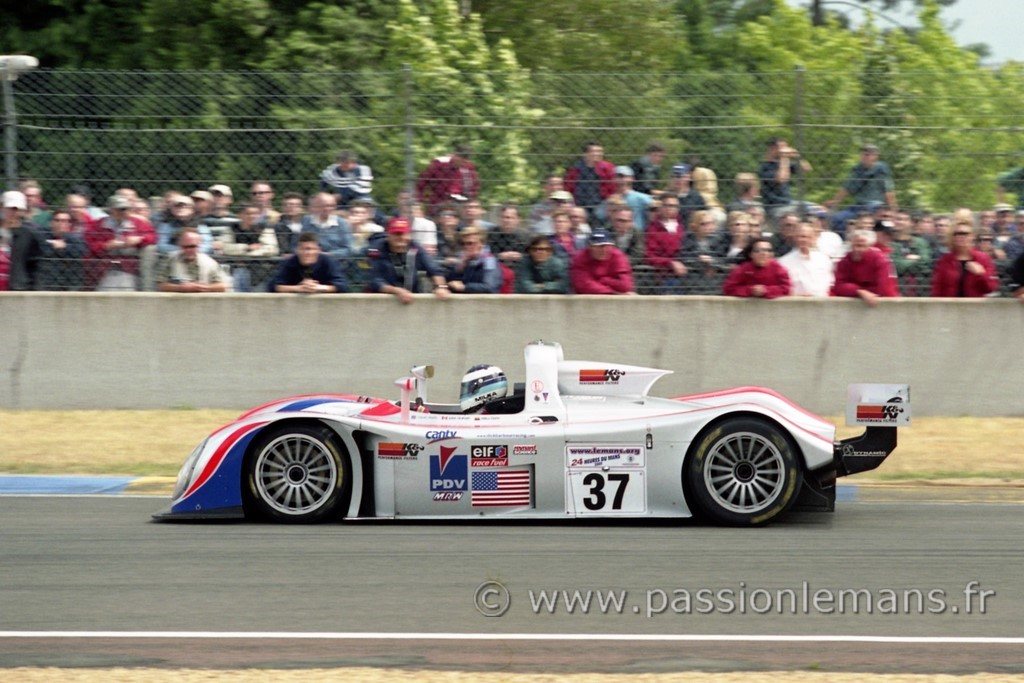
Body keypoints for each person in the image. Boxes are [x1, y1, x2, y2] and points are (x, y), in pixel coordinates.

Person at [367, 217, 450, 303]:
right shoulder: (377, 249)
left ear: (409, 235)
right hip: (382, 298)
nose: (400, 237)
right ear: (388, 235)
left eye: (403, 233)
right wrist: (397, 291)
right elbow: (374, 279)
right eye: (396, 234)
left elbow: (434, 269)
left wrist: (441, 287)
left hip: (411, 295)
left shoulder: (415, 247)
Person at [825, 143, 897, 231]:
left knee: (868, 213)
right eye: (864, 154)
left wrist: (893, 210)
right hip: (859, 205)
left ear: (876, 156)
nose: (866, 156)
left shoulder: (881, 170)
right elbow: (846, 189)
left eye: (870, 154)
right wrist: (834, 202)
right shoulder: (857, 170)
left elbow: (889, 192)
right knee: (837, 219)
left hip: (875, 206)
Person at [930, 222, 999, 298]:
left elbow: (990, 288)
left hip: (975, 306)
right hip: (949, 306)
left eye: (965, 234)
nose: (961, 237)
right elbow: (937, 288)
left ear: (972, 236)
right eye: (957, 234)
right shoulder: (945, 260)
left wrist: (981, 274)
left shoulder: (983, 258)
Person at [831, 229, 898, 306]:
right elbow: (838, 286)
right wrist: (859, 291)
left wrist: (855, 290)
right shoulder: (844, 261)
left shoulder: (882, 261)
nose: (856, 249)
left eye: (861, 246)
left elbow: (885, 289)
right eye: (853, 245)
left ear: (870, 247)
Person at [269, 232, 347, 294]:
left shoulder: (328, 261)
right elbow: (274, 286)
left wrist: (318, 287)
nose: (306, 253)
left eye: (310, 249)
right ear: (297, 250)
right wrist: (298, 288)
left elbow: (342, 285)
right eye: (302, 249)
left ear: (318, 250)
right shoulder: (289, 262)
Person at [156, 228, 229, 293]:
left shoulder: (209, 262)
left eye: (192, 246)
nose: (189, 250)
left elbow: (223, 286)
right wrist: (180, 288)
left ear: (199, 245)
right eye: (185, 247)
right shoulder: (169, 259)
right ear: (179, 245)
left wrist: (202, 288)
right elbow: (160, 285)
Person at [416, 143, 479, 216]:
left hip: (460, 203)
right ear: (454, 155)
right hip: (439, 202)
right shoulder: (440, 163)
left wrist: (470, 200)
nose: (463, 162)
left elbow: (474, 187)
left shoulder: (468, 167)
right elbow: (422, 182)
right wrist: (421, 201)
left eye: (466, 159)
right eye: (461, 158)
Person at [758, 137, 810, 221]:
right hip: (775, 206)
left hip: (788, 202)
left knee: (815, 210)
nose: (785, 150)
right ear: (773, 148)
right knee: (793, 219)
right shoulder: (765, 166)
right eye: (782, 147)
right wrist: (784, 157)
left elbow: (806, 168)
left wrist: (797, 156)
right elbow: (782, 179)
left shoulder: (783, 164)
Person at [722, 238, 791, 299]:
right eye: (758, 250)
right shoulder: (743, 269)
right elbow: (729, 289)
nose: (764, 253)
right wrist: (750, 290)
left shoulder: (779, 269)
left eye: (768, 250)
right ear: (751, 254)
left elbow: (786, 288)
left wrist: (766, 290)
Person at [570, 230, 635, 295]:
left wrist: (604, 280)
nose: (604, 250)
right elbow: (584, 286)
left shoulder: (618, 256)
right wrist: (614, 293)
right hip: (587, 300)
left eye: (607, 246)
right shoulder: (580, 258)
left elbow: (625, 285)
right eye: (599, 246)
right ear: (590, 247)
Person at [778, 223, 834, 297]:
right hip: (795, 304)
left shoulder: (824, 260)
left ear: (813, 238)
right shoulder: (783, 262)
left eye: (808, 237)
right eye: (801, 236)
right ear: (795, 238)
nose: (804, 240)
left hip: (822, 303)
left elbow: (831, 283)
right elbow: (783, 286)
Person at [38, 209, 87, 291]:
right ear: (51, 223)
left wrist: (65, 247)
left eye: (65, 221)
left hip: (70, 281)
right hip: (48, 281)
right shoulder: (43, 236)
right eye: (57, 220)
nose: (61, 223)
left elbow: (82, 251)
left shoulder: (76, 239)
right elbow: (42, 250)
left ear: (69, 224)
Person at [2, 191, 43, 291]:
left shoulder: (29, 235)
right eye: (11, 208)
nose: (14, 212)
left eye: (18, 209)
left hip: (16, 289)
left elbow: (35, 265)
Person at [564, 141, 616, 216]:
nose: (598, 154)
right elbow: (569, 188)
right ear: (585, 154)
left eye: (600, 151)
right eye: (594, 151)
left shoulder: (608, 168)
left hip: (601, 202)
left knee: (600, 214)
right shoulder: (576, 169)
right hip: (579, 203)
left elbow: (613, 188)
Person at [645, 196, 687, 288]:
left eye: (674, 206)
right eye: (667, 205)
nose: (671, 208)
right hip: (663, 275)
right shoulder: (653, 229)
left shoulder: (683, 227)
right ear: (661, 208)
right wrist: (670, 263)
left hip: (686, 270)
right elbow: (650, 256)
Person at [446, 226, 502, 294]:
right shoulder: (464, 259)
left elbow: (489, 287)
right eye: (463, 244)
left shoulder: (489, 261)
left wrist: (465, 287)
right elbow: (450, 282)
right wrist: (460, 268)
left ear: (481, 244)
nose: (466, 247)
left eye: (470, 243)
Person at [300, 192, 351, 257]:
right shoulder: (306, 221)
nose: (327, 209)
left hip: (334, 261)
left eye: (331, 206)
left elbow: (348, 249)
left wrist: (329, 255)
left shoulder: (342, 223)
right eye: (323, 205)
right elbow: (298, 243)